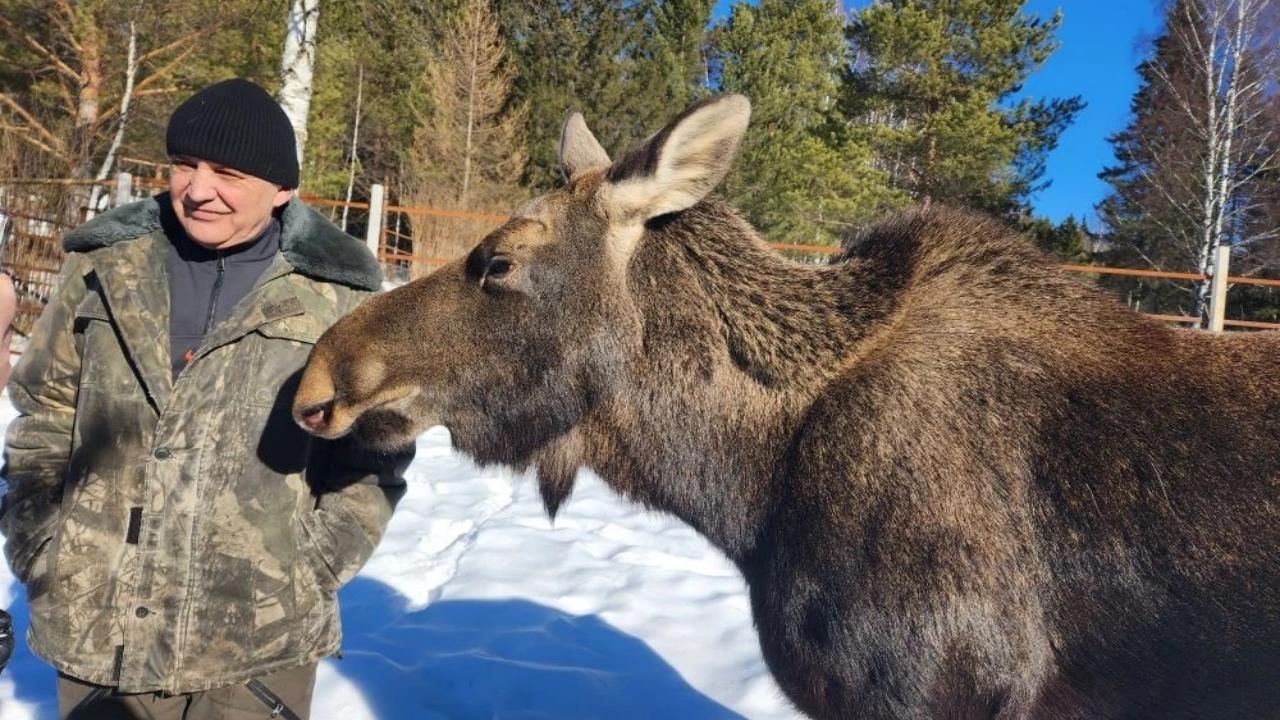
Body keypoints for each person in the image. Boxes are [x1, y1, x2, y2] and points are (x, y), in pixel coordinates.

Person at [0, 78, 411, 719]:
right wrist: (43, 545)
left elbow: (376, 452)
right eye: (184, 164)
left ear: (282, 189)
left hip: (255, 645)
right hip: (101, 629)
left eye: (227, 173)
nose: (197, 189)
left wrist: (313, 566)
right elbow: (44, 413)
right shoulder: (103, 269)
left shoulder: (338, 296)